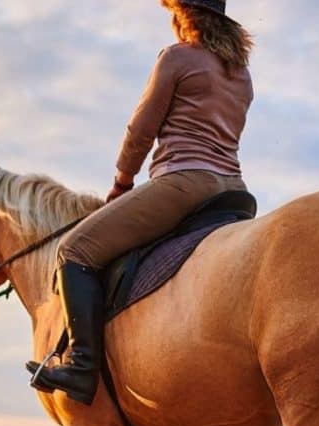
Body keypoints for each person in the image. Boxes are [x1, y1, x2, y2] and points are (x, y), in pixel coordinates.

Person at [30, 0, 255, 405]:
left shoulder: (176, 58)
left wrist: (122, 181)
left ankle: (81, 365)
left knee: (74, 250)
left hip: (183, 183)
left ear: (183, 15)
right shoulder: (242, 76)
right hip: (234, 190)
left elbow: (141, 129)